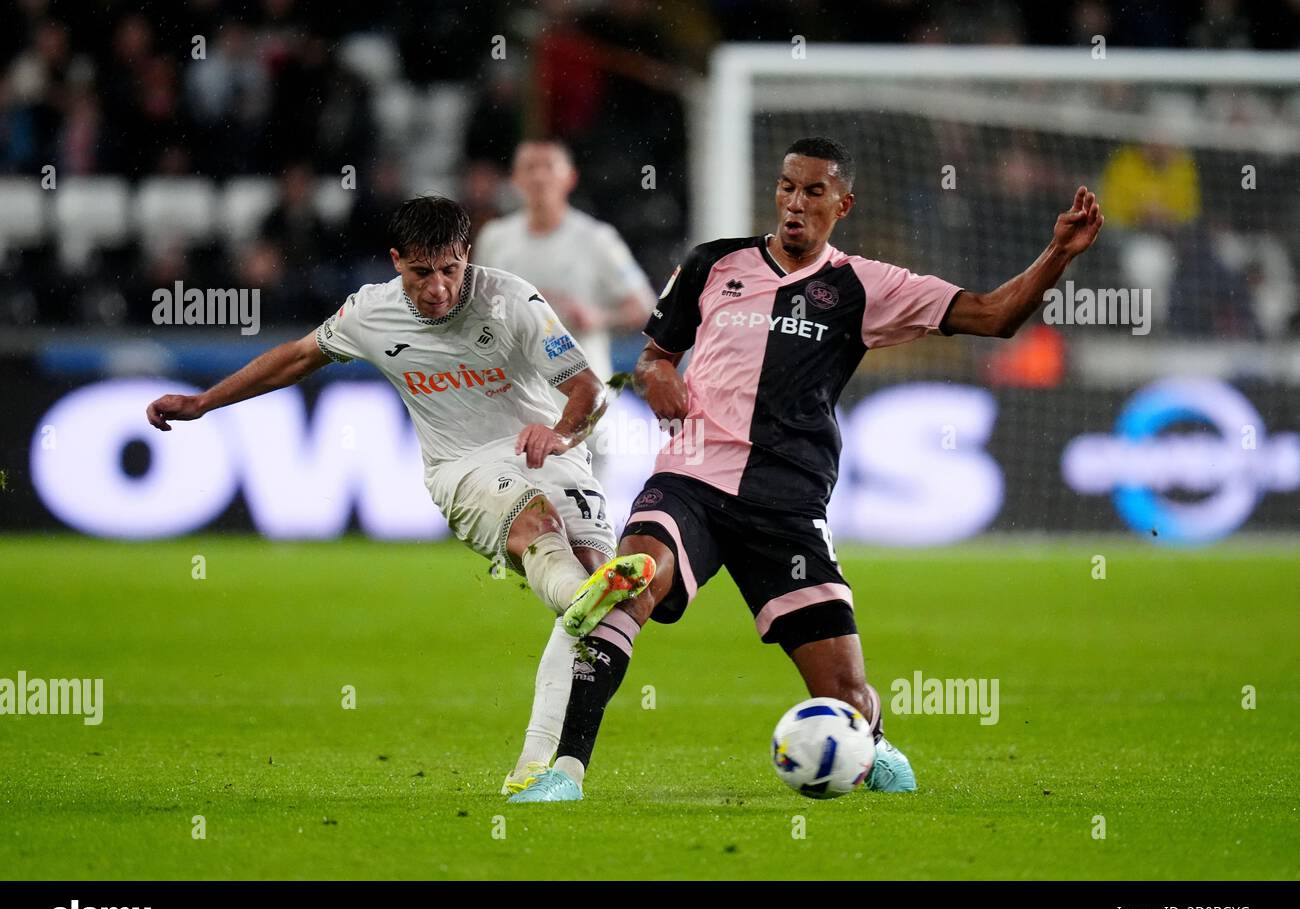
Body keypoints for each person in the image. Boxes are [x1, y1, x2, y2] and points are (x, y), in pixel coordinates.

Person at [511, 136, 1104, 802]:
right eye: (787, 188)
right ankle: (565, 773)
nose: (795, 204)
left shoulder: (866, 287)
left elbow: (994, 316)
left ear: (841, 204)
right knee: (630, 581)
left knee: (845, 694)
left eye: (814, 192)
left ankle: (868, 741)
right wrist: (657, 377)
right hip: (692, 480)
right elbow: (654, 354)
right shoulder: (713, 264)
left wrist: (1057, 255)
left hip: (788, 505)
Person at [145, 195, 654, 794]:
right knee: (543, 536)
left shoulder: (513, 300)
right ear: (396, 262)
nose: (436, 287)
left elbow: (590, 392)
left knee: (602, 615)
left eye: (449, 270)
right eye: (420, 272)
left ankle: (539, 770)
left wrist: (561, 433)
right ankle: (577, 595)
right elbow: (298, 358)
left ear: (466, 255)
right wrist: (205, 401)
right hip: (461, 467)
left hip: (552, 451)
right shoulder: (370, 313)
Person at [474, 140, 657, 382]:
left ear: (570, 177)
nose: (539, 177)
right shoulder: (494, 237)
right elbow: (475, 305)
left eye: (549, 167)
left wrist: (599, 317)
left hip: (580, 385)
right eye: (529, 168)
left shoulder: (597, 239)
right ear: (515, 179)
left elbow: (645, 309)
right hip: (514, 387)